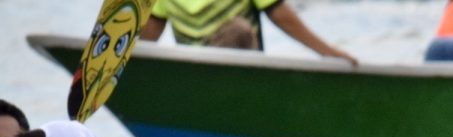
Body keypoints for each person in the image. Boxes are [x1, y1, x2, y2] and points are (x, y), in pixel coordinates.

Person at [142, 0, 358, 65]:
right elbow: (146, 40)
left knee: (238, 30)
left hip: (242, 69)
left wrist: (328, 53)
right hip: (199, 75)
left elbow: (281, 15)